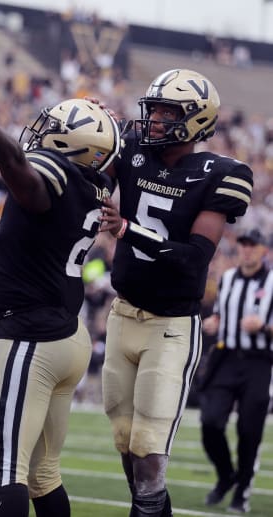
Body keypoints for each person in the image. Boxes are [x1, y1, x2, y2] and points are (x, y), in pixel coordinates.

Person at [0, 70, 122, 516]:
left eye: (53, 132)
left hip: (31, 337)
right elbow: (106, 157)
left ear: (72, 148)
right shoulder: (99, 182)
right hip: (67, 336)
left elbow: (18, 169)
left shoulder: (54, 174)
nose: (39, 136)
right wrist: (110, 131)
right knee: (44, 476)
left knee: (7, 470)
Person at [98, 69, 254, 516]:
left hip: (170, 327)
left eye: (168, 112)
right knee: (125, 442)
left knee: (149, 448)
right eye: (155, 109)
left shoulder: (221, 173)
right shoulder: (131, 150)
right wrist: (96, 131)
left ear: (195, 120)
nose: (155, 120)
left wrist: (129, 229)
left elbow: (193, 257)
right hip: (123, 314)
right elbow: (91, 171)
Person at [199, 228, 272, 513]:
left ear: (263, 250)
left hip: (259, 361)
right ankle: (226, 475)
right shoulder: (227, 279)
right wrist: (215, 322)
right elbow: (220, 311)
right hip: (226, 358)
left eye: (253, 246)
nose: (247, 250)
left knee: (248, 430)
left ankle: (242, 490)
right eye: (243, 245)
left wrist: (264, 327)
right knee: (210, 421)